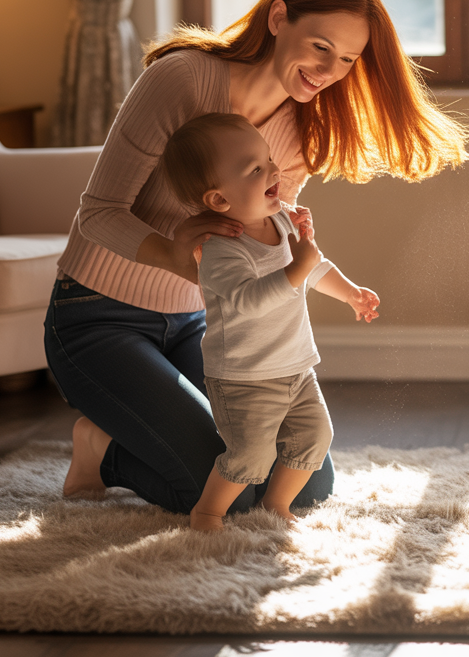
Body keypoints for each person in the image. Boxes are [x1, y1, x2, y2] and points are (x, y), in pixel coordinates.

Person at [47, 0, 469, 517]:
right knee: (220, 488)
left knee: (302, 482)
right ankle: (101, 452)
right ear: (277, 19)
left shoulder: (300, 129)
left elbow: (259, 244)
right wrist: (175, 255)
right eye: (320, 46)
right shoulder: (183, 80)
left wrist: (297, 251)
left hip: (205, 326)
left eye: (346, 60)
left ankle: (132, 440)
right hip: (98, 317)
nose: (329, 70)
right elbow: (98, 213)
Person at [159, 113, 379, 531]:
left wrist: (350, 292)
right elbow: (249, 301)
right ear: (219, 201)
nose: (274, 170)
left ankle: (276, 504)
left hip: (296, 367)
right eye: (255, 169)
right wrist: (299, 267)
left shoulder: (283, 220)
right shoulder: (222, 250)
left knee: (315, 436)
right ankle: (207, 511)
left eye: (268, 158)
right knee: (250, 456)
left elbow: (314, 268)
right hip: (245, 377)